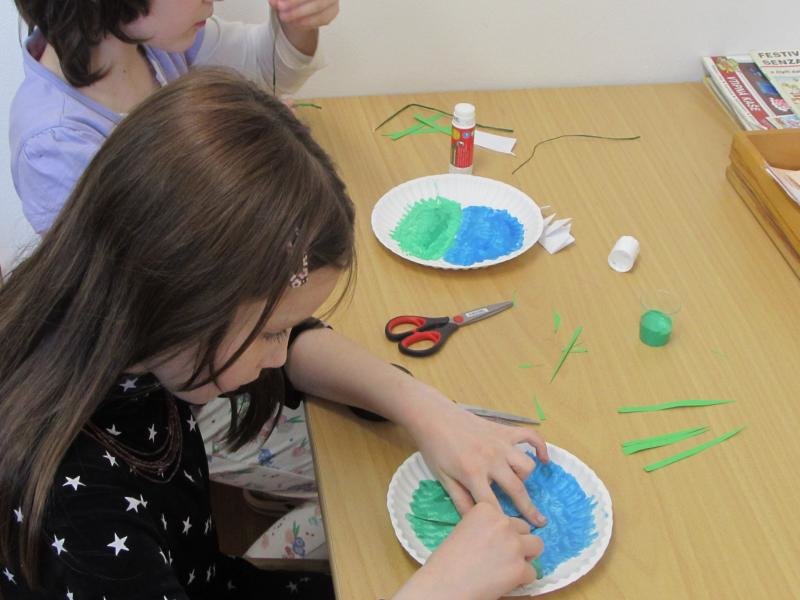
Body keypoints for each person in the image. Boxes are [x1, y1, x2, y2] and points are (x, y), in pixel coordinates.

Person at [0, 69, 546, 599]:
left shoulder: (122, 321)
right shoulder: (80, 518)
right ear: (185, 296)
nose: (282, 355)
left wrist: (428, 411)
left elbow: (299, 347)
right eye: (271, 333)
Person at [9, 0, 339, 546]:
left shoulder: (154, 49)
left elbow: (235, 309)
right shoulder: (55, 142)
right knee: (345, 470)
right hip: (181, 386)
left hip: (197, 374)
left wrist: (294, 27)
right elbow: (187, 311)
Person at [10, 0, 337, 234]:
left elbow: (269, 68)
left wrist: (298, 19)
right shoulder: (54, 147)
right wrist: (249, 153)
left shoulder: (153, 44)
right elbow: (147, 282)